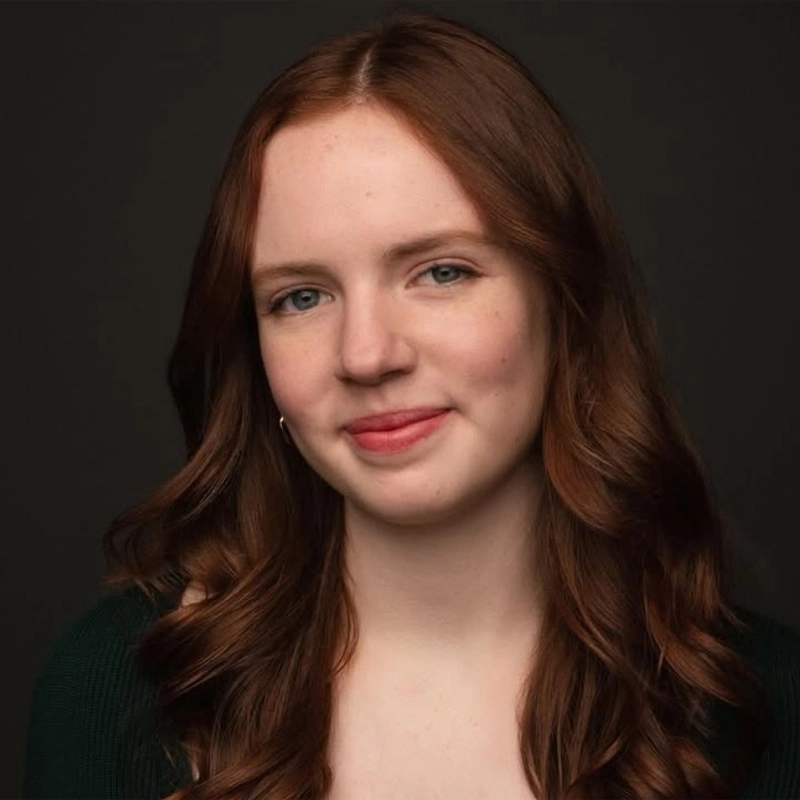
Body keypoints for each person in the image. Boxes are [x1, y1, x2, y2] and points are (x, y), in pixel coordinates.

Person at [21, 11, 800, 800]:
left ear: (563, 303)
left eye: (441, 273)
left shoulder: (775, 709)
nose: (366, 354)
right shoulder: (120, 691)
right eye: (301, 296)